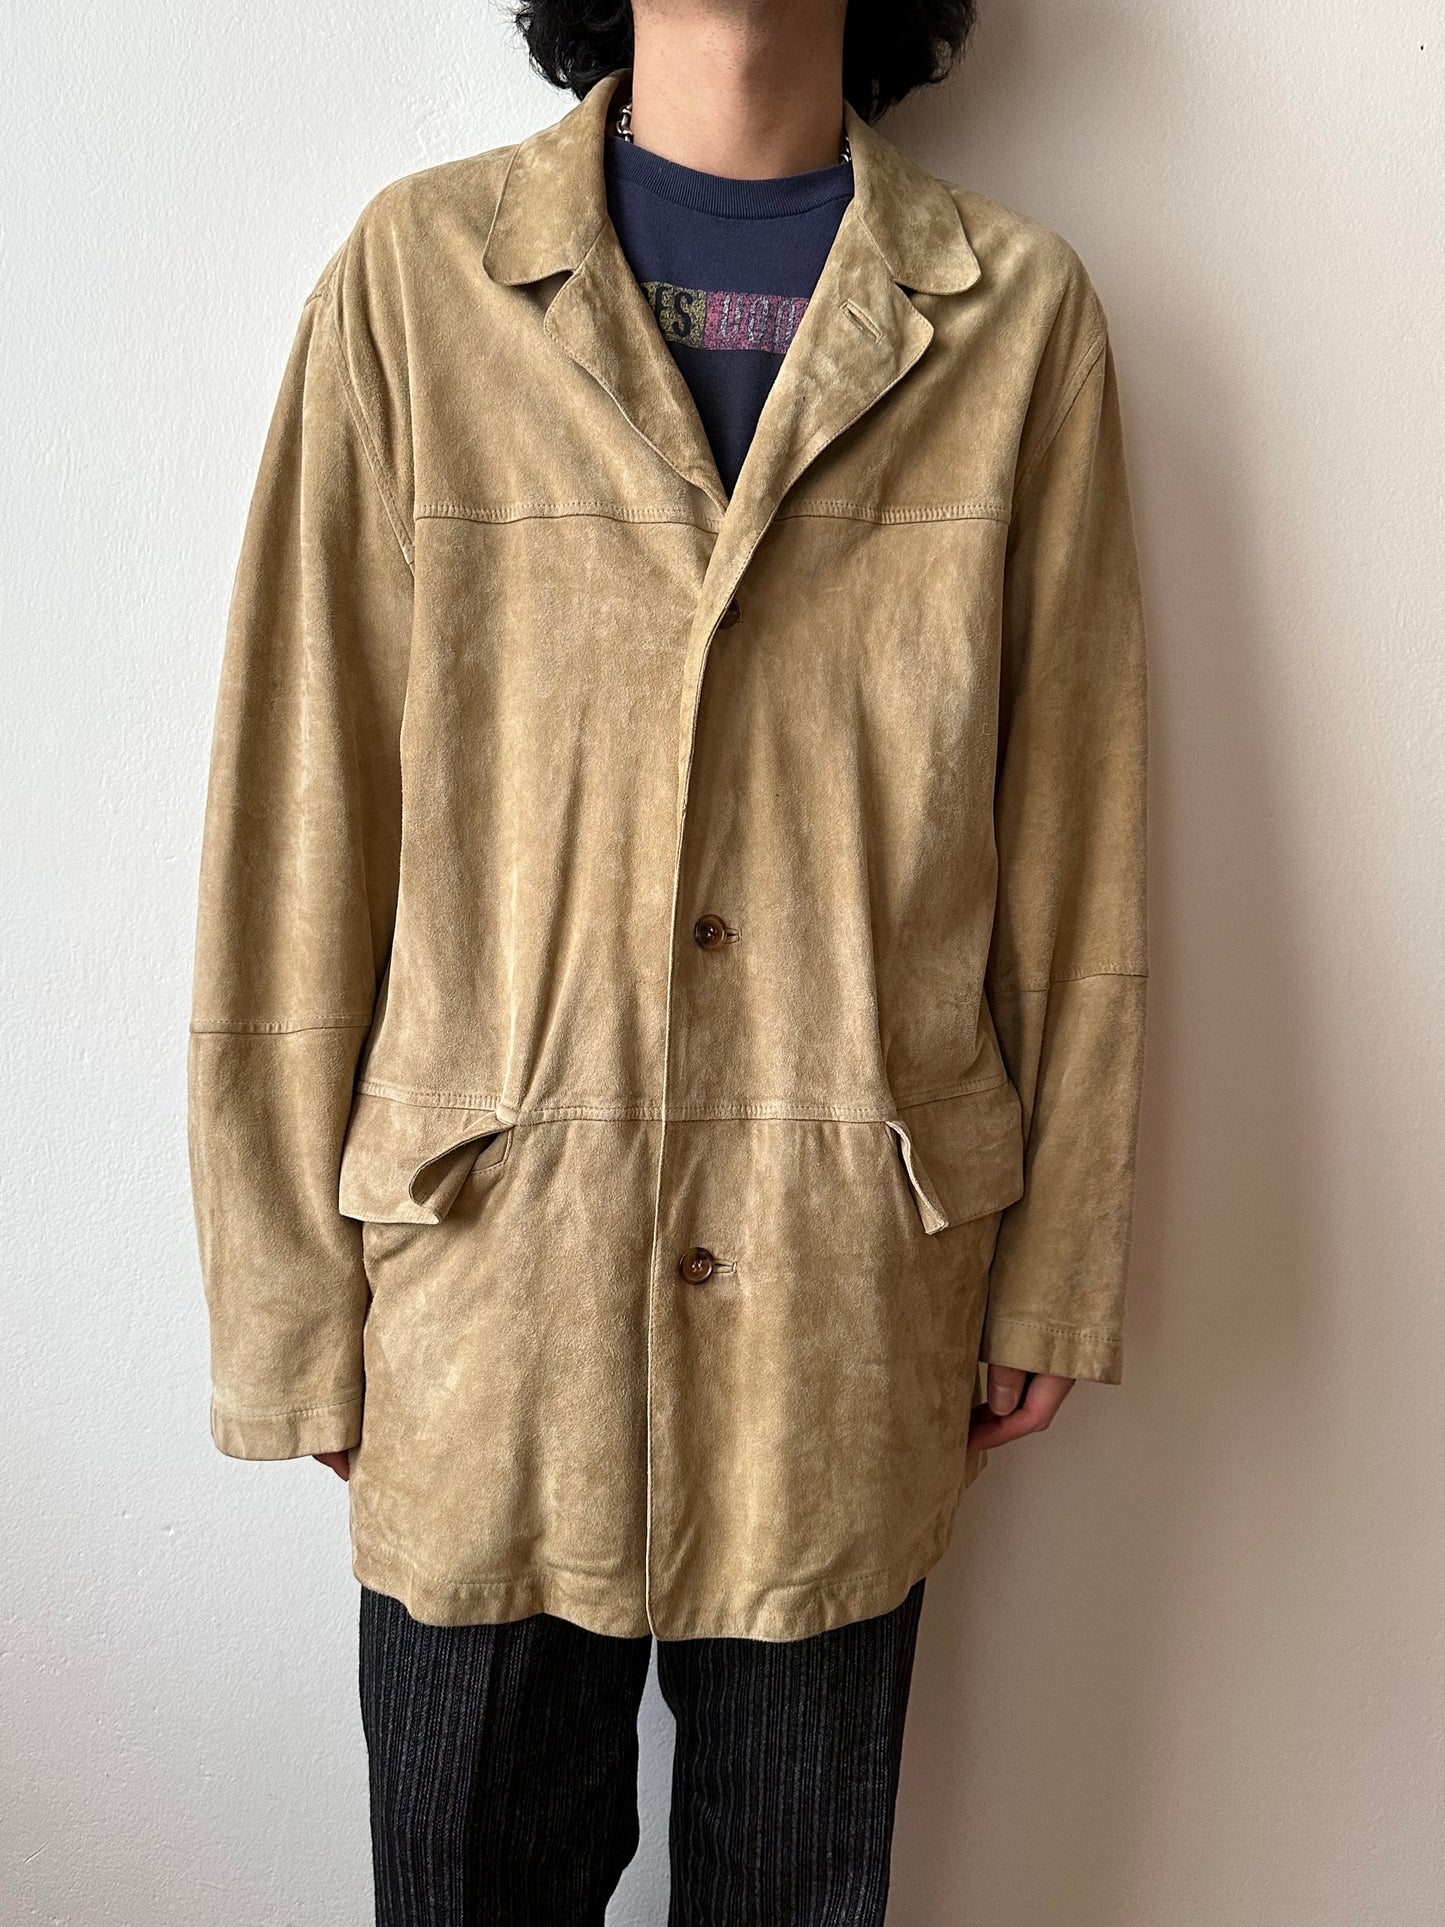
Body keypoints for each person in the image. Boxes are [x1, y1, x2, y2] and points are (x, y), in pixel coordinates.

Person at [186, 0, 1150, 1918]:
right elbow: (300, 814)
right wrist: (286, 1298)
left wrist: (1057, 1256)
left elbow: (1073, 830)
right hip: (484, 1288)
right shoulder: (420, 279)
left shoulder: (1012, 314)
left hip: (840, 1288)